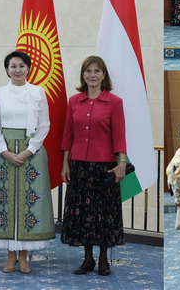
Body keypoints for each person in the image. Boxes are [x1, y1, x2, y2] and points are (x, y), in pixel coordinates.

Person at [0, 51, 55, 274]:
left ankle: (24, 257)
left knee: (29, 202)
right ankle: (10, 256)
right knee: (6, 202)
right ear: (7, 69)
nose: (17, 70)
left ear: (28, 68)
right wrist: (4, 151)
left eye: (21, 66)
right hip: (4, 153)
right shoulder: (0, 93)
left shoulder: (38, 92)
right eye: (12, 66)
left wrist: (28, 151)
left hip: (31, 151)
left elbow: (44, 125)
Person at [60, 56, 128, 276]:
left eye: (97, 71)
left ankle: (103, 260)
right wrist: (65, 164)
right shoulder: (74, 101)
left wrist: (122, 163)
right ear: (83, 75)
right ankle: (87, 259)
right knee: (84, 213)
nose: (92, 75)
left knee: (104, 213)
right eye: (88, 71)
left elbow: (119, 136)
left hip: (105, 167)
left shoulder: (114, 102)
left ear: (104, 75)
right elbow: (67, 136)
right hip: (79, 166)